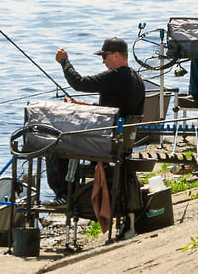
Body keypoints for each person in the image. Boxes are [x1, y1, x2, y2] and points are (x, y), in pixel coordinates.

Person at [45, 37, 146, 205]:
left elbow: (79, 83)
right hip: (120, 141)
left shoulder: (117, 76)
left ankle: (64, 195)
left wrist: (64, 62)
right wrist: (88, 105)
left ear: (116, 56)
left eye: (104, 56)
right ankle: (73, 190)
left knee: (55, 143)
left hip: (105, 143)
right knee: (68, 137)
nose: (103, 61)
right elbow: (116, 109)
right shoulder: (136, 78)